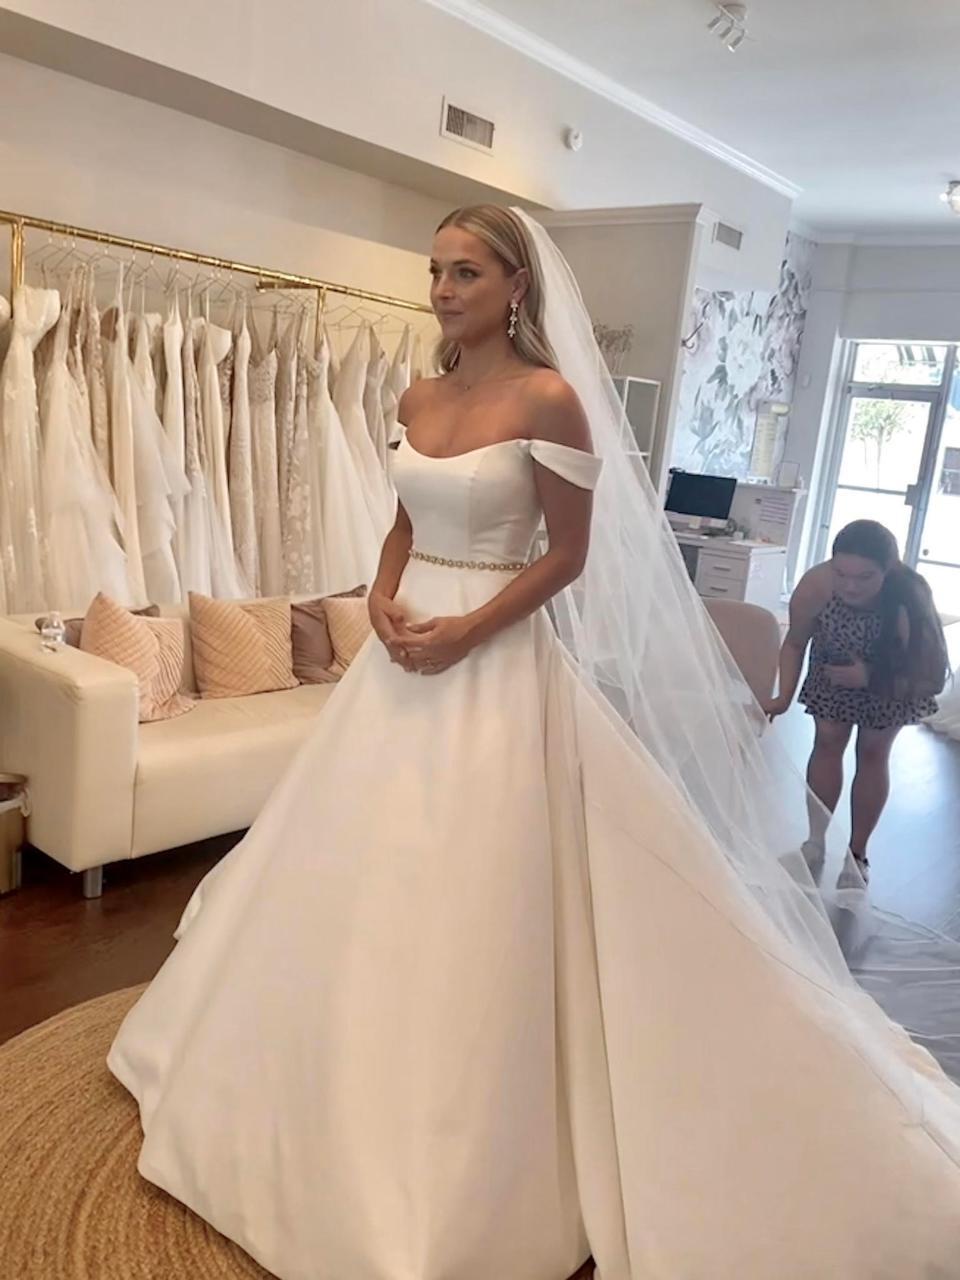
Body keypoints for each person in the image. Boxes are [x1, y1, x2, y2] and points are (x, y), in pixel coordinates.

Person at [108, 208, 960, 1280]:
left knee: (479, 879)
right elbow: (407, 523)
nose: (442, 287)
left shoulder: (548, 396)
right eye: (434, 269)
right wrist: (376, 595)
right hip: (401, 650)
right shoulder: (418, 395)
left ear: (516, 285)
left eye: (465, 270)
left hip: (495, 654)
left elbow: (567, 554)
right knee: (345, 862)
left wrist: (467, 626)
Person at [765, 520, 949, 882]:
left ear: (888, 570)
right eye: (841, 573)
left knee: (873, 754)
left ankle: (857, 854)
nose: (850, 586)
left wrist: (871, 677)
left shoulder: (910, 594)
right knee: (827, 743)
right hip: (833, 671)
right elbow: (795, 643)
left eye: (864, 577)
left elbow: (931, 672)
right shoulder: (816, 586)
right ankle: (815, 841)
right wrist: (783, 697)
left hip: (895, 682)